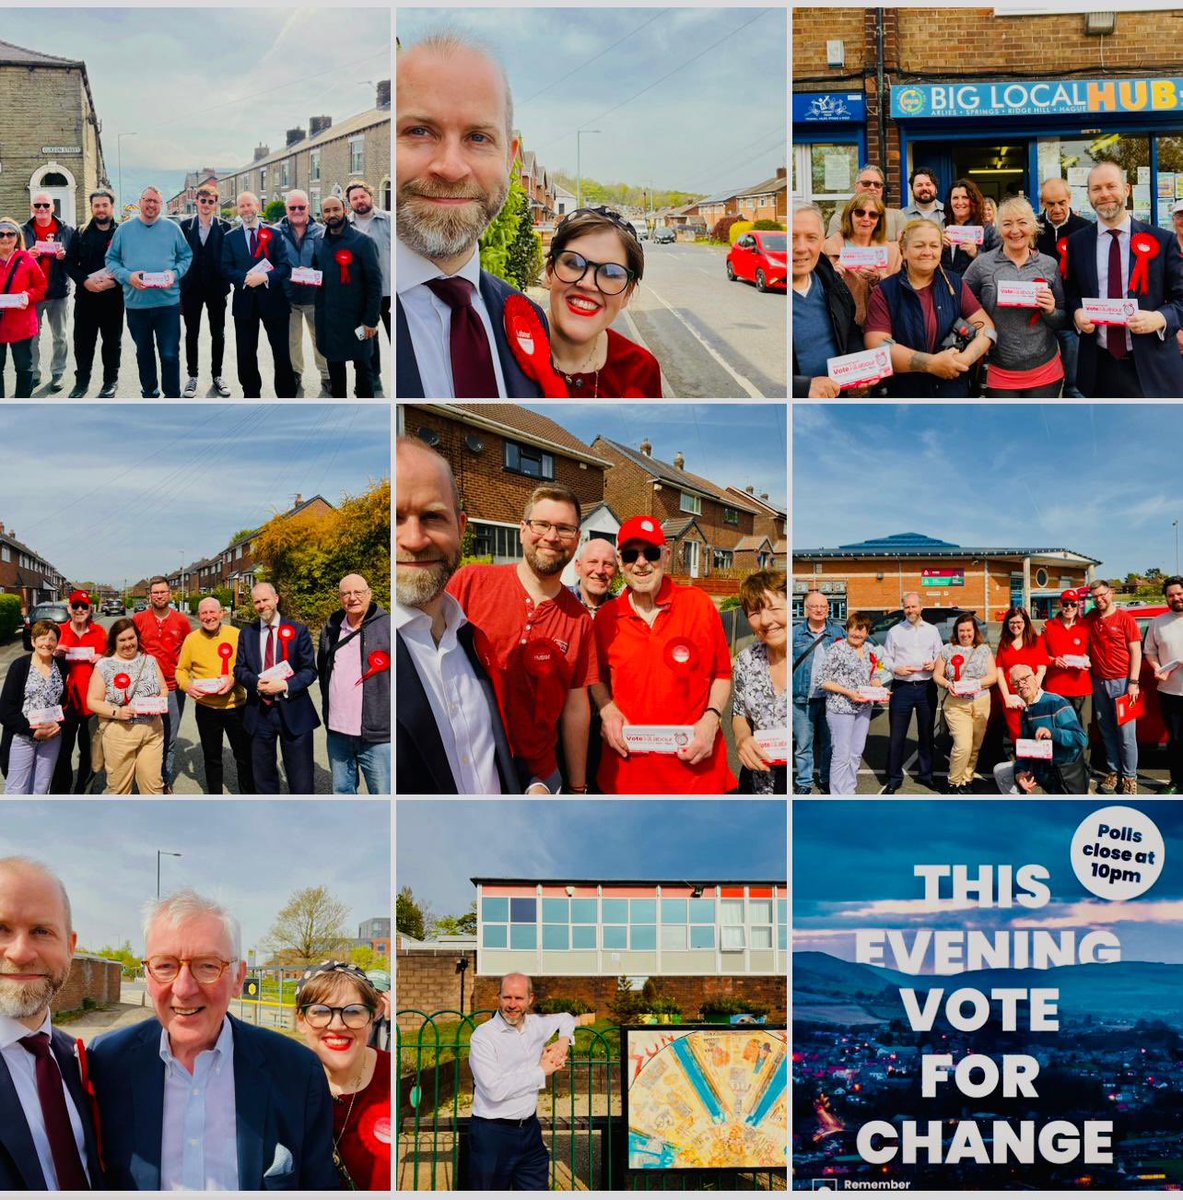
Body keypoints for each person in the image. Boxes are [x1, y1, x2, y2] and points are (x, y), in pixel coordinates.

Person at [89, 890, 339, 1190]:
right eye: (165, 966)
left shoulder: (297, 1072)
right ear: (147, 973)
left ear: (238, 978)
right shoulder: (105, 1062)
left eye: (207, 965)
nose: (183, 989)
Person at [396, 33, 548, 398]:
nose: (451, 168)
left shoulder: (529, 318)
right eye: (419, 131)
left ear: (510, 158)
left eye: (478, 137)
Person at [449, 484, 598, 794]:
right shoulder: (471, 583)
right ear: (522, 530)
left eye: (564, 528)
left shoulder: (580, 620)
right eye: (541, 524)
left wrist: (578, 787)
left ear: (577, 539)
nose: (552, 536)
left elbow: (575, 707)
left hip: (538, 773)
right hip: (466, 762)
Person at [395, 436, 517, 793]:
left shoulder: (471, 639)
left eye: (433, 516)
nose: (414, 539)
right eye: (395, 518)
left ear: (461, 527)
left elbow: (490, 755)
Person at [592, 516, 737, 794]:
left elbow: (721, 673)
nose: (642, 562)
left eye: (651, 553)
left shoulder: (698, 604)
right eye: (631, 555)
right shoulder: (606, 618)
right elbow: (595, 677)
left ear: (666, 555)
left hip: (697, 774)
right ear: (622, 563)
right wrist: (607, 709)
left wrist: (711, 719)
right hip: (628, 775)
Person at [0, 857, 102, 1189]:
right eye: (1, 929)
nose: (20, 952)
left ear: (70, 947)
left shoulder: (79, 1058)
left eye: (41, 931)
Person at [1064, 161, 1183, 398]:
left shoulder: (1163, 240)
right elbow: (1070, 293)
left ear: (1127, 190)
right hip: (1099, 367)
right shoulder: (1077, 243)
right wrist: (1077, 313)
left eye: (1111, 186)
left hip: (1154, 367)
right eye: (1096, 188)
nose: (1105, 194)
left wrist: (1159, 318)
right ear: (1088, 195)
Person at [468, 973, 595, 1191]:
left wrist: (563, 1042)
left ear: (530, 999)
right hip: (493, 1134)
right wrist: (541, 1071)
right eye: (507, 997)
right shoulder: (484, 1036)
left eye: (519, 998)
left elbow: (566, 1017)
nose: (512, 1004)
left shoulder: (537, 1025)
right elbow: (494, 1090)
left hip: (529, 1133)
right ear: (498, 997)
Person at [864, 218, 995, 397]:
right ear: (904, 249)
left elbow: (987, 329)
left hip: (953, 394)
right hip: (904, 398)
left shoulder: (955, 283)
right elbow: (877, 345)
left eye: (934, 245)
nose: (927, 252)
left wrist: (963, 360)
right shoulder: (885, 291)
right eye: (919, 246)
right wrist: (931, 364)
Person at [544, 206, 662, 397]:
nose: (588, 284)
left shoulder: (641, 370)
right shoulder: (502, 346)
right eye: (574, 263)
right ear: (550, 272)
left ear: (627, 293)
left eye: (611, 273)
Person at [294, 961, 391, 1190]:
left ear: (372, 1016)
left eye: (353, 1011)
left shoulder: (391, 1077)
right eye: (320, 1011)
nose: (337, 1025)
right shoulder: (281, 1086)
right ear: (301, 1020)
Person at [962, 196, 1066, 397]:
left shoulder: (1049, 265)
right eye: (1007, 224)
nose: (1015, 230)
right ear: (999, 228)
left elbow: (1062, 320)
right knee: (1005, 428)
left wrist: (1051, 311)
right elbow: (960, 302)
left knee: (1039, 428)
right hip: (999, 369)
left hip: (1045, 370)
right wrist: (979, 325)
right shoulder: (982, 264)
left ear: (1034, 226)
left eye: (1022, 222)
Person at [234, 581, 320, 794]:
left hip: (294, 710)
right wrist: (256, 683)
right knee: (263, 776)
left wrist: (284, 684)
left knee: (300, 778)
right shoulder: (247, 633)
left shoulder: (297, 630)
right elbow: (239, 669)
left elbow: (309, 670)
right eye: (257, 602)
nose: (262, 605)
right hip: (259, 713)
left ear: (276, 599)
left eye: (265, 600)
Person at [106, 186, 192, 397]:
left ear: (160, 205)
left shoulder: (172, 229)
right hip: (137, 305)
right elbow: (111, 260)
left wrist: (174, 274)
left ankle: (172, 396)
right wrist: (128, 276)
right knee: (144, 353)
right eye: (147, 200)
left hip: (167, 304)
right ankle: (150, 393)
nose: (151, 204)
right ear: (140, 201)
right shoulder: (124, 230)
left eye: (156, 201)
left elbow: (186, 256)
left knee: (170, 354)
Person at [318, 574, 391, 794]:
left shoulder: (387, 626)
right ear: (340, 597)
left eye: (358, 592)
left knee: (383, 794)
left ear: (369, 594)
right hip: (338, 731)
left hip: (377, 735)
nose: (352, 598)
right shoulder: (331, 628)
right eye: (346, 593)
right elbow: (323, 671)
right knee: (342, 791)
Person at [220, 190, 296, 398]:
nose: (246, 209)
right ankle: (251, 393)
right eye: (242, 206)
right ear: (238, 210)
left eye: (249, 205)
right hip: (245, 303)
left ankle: (286, 395)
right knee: (245, 353)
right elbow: (225, 268)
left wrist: (265, 277)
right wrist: (245, 278)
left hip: (274, 301)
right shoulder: (230, 238)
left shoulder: (275, 234)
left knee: (281, 352)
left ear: (257, 207)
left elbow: (285, 266)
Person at [175, 598, 255, 795]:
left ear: (221, 613)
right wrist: (187, 686)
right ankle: (214, 798)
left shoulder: (237, 635)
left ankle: (249, 798)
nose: (208, 617)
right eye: (204, 613)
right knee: (212, 758)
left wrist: (233, 679)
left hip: (236, 706)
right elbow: (181, 670)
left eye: (212, 612)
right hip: (206, 709)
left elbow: (248, 667)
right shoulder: (192, 639)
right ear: (198, 615)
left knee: (244, 757)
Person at [86, 617, 167, 794]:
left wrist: (157, 702)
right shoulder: (105, 665)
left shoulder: (150, 660)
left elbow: (163, 688)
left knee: (154, 787)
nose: (128, 644)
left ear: (137, 637)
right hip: (119, 734)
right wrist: (117, 711)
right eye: (122, 640)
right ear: (114, 642)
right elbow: (92, 701)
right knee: (119, 790)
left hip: (153, 732)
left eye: (131, 638)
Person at [311, 194, 381, 398]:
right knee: (336, 371)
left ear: (344, 211)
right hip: (330, 320)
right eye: (327, 211)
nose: (332, 214)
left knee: (364, 370)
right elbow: (317, 273)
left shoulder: (364, 242)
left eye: (336, 209)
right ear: (322, 214)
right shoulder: (318, 241)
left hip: (358, 320)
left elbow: (374, 284)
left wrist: (370, 320)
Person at [818, 611, 891, 796]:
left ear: (867, 632)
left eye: (862, 630)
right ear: (847, 629)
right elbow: (823, 680)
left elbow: (873, 675)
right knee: (841, 754)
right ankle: (837, 793)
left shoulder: (870, 650)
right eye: (853, 629)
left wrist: (879, 689)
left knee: (856, 752)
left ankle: (849, 790)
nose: (857, 634)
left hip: (863, 708)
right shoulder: (836, 649)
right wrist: (849, 693)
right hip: (841, 708)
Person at [792, 204, 861, 398]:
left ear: (822, 241)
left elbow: (851, 330)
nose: (800, 248)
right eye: (791, 237)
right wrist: (803, 388)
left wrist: (860, 371)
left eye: (811, 238)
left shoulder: (831, 281)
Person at [134, 576, 193, 793]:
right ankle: (141, 779)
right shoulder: (139, 619)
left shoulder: (182, 621)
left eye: (162, 592)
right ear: (150, 595)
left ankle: (163, 780)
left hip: (173, 689)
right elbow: (127, 648)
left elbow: (190, 652)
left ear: (170, 594)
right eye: (155, 592)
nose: (159, 595)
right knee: (143, 735)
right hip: (144, 691)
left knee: (169, 737)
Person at [732, 570, 788, 795]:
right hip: (757, 782)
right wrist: (742, 738)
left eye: (774, 609)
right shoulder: (747, 658)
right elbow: (738, 714)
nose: (765, 620)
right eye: (755, 612)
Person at [993, 665, 1089, 794]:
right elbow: (1026, 749)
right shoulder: (1027, 710)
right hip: (1042, 769)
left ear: (1035, 679)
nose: (1021, 684)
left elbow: (1081, 739)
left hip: (1064, 773)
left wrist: (1051, 733)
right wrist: (1019, 773)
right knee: (1001, 771)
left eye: (1024, 679)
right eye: (1016, 683)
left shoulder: (1056, 702)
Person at [883, 592, 944, 793]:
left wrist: (933, 664)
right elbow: (886, 658)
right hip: (902, 689)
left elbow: (940, 655)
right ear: (904, 609)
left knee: (926, 734)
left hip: (926, 688)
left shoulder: (932, 631)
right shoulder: (894, 631)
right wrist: (895, 669)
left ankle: (926, 775)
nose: (910, 610)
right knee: (897, 735)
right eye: (907, 607)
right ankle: (894, 777)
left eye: (913, 606)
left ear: (921, 607)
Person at [1085, 579, 1142, 794]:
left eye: (1102, 595)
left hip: (1123, 682)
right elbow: (1070, 625)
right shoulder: (1091, 619)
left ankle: (1129, 777)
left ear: (1112, 593)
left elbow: (1135, 651)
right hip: (1099, 682)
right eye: (1095, 597)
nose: (1099, 599)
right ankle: (1113, 772)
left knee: (1126, 734)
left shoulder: (1125, 619)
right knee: (1107, 731)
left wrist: (1133, 683)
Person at [1036, 177, 1090, 398]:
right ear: (1043, 203)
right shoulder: (1034, 229)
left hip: (1072, 314)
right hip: (1039, 315)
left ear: (1070, 199)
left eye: (1061, 202)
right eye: (1050, 204)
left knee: (1073, 382)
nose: (1056, 209)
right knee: (1041, 381)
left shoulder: (1086, 229)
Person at [65, 189, 123, 398]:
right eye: (96, 205)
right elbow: (69, 263)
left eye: (104, 205)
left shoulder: (121, 233)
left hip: (113, 299)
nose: (100, 209)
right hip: (86, 298)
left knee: (112, 342)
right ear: (92, 208)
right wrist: (85, 281)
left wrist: (114, 282)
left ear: (111, 207)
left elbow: (129, 263)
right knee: (83, 343)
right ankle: (81, 383)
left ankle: (110, 382)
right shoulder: (80, 233)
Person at [50, 589, 108, 794]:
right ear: (69, 608)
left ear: (91, 609)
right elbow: (43, 662)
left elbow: (112, 663)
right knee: (62, 752)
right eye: (76, 606)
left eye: (84, 606)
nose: (80, 610)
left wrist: (103, 659)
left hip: (92, 703)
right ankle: (60, 793)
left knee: (89, 753)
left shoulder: (100, 632)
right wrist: (55, 655)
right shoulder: (58, 632)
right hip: (65, 704)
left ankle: (83, 793)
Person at [933, 612, 997, 794]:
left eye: (968, 630)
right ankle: (953, 782)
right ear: (956, 631)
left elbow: (993, 676)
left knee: (975, 746)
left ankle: (966, 780)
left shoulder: (984, 649)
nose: (965, 634)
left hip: (981, 701)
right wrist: (948, 684)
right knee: (963, 745)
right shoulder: (947, 649)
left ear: (974, 631)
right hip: (956, 704)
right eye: (961, 631)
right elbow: (937, 674)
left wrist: (977, 684)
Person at [178, 183, 232, 398]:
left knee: (217, 333)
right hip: (191, 289)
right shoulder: (184, 226)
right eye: (203, 201)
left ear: (216, 204)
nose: (207, 205)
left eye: (211, 202)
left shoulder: (226, 227)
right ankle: (192, 376)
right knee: (192, 334)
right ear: (197, 202)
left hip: (217, 289)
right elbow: (178, 255)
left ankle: (217, 375)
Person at [0, 621, 64, 794]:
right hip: (23, 737)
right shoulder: (20, 666)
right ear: (33, 641)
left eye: (52, 639)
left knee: (41, 788)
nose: (47, 643)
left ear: (57, 643)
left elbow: (66, 704)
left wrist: (59, 725)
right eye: (42, 638)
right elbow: (5, 710)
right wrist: (32, 731)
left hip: (51, 738)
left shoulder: (62, 666)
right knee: (17, 790)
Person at [792, 589, 845, 795]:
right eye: (814, 606)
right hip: (802, 698)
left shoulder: (839, 633)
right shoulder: (795, 633)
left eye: (823, 606)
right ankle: (804, 782)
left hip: (831, 699)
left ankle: (825, 779)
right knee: (804, 744)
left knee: (830, 744)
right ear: (806, 609)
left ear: (828, 608)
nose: (819, 610)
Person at [822, 192, 902, 327]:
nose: (866, 218)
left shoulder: (892, 252)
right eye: (860, 212)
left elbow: (902, 292)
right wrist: (832, 278)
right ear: (849, 215)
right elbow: (816, 292)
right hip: (840, 327)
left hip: (881, 326)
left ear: (879, 220)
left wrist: (879, 278)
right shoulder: (827, 248)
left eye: (873, 215)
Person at [21, 191, 75, 392]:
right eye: (37, 205)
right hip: (32, 293)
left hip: (58, 291)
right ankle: (34, 373)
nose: (41, 209)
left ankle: (58, 373)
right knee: (32, 336)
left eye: (45, 205)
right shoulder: (23, 231)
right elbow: (12, 259)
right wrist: (26, 255)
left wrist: (65, 256)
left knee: (59, 336)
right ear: (32, 208)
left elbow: (76, 259)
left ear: (53, 207)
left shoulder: (67, 230)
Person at [277, 189, 329, 395]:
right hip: (287, 297)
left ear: (308, 207)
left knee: (321, 339)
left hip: (315, 297)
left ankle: (327, 375)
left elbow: (329, 263)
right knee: (292, 340)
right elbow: (272, 263)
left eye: (301, 207)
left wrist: (313, 272)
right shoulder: (275, 232)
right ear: (286, 209)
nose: (297, 211)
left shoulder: (322, 232)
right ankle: (295, 373)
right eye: (292, 207)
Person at [346, 180, 391, 395]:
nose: (359, 201)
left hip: (389, 292)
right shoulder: (345, 227)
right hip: (360, 296)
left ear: (371, 196)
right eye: (354, 198)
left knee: (400, 339)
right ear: (349, 203)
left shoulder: (390, 221)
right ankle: (374, 377)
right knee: (367, 337)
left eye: (362, 196)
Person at [0, 216, 49, 398]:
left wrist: (28, 296)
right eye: (1, 234)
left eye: (10, 234)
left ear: (17, 237)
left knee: (24, 367)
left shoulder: (27, 259)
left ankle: (21, 405)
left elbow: (41, 287)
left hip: (21, 324)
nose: (5, 238)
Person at [1144, 575, 1183, 794]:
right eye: (1171, 595)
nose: (1176, 598)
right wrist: (1157, 668)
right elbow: (1149, 651)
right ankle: (1177, 781)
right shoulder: (1158, 622)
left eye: (1179, 593)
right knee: (1175, 740)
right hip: (1170, 691)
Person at [993, 606, 1048, 746]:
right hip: (1012, 697)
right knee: (1016, 733)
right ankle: (1021, 764)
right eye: (1012, 622)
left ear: (1025, 623)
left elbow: (1041, 669)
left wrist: (1032, 694)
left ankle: (1035, 766)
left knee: (1035, 731)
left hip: (1032, 696)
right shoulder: (1004, 643)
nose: (1015, 626)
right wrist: (1006, 697)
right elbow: (999, 671)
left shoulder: (1036, 641)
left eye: (1019, 622)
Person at [1042, 589, 1093, 730]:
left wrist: (1088, 659)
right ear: (1060, 605)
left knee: (1083, 731)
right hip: (1056, 689)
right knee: (1059, 730)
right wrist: (1053, 661)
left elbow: (1095, 652)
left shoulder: (1086, 626)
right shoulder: (1049, 626)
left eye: (1073, 604)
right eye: (1065, 604)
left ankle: (1082, 754)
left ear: (1078, 606)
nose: (1069, 608)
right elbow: (1039, 655)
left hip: (1081, 688)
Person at [825, 164, 906, 240]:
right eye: (866, 183)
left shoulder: (897, 217)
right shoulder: (840, 218)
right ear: (856, 187)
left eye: (877, 184)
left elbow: (904, 248)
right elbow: (831, 250)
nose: (872, 187)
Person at [941, 178, 1000, 276]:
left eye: (965, 197)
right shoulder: (940, 226)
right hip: (946, 287)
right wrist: (937, 246)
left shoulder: (988, 230)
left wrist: (976, 253)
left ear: (973, 200)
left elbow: (998, 266)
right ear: (949, 201)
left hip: (974, 289)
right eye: (955, 198)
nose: (960, 202)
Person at [570, 537, 619, 617]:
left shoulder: (622, 610)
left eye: (608, 564)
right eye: (593, 562)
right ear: (578, 566)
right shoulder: (558, 603)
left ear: (616, 570)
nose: (600, 571)